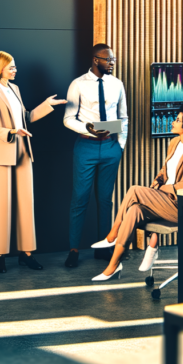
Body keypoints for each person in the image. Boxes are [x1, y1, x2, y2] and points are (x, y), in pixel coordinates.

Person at [90, 103, 183, 281]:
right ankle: (114, 264)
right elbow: (163, 172)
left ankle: (113, 233)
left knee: (134, 190)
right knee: (134, 210)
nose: (173, 122)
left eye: (178, 120)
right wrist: (157, 184)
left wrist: (163, 188)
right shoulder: (173, 143)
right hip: (162, 200)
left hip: (179, 206)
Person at [0, 51, 66, 273]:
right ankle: (0, 256)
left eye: (15, 67)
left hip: (23, 150)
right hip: (2, 152)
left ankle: (26, 254)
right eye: (11, 67)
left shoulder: (15, 89)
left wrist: (47, 105)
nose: (15, 70)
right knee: (3, 205)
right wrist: (11, 131)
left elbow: (26, 117)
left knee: (26, 204)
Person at [63, 43, 129, 268]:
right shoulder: (78, 84)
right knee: (79, 199)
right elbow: (68, 118)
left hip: (111, 148)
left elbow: (123, 117)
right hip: (86, 147)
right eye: (108, 59)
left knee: (105, 200)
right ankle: (73, 249)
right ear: (95, 60)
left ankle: (104, 248)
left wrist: (120, 145)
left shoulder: (117, 84)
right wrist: (87, 129)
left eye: (113, 59)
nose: (112, 63)